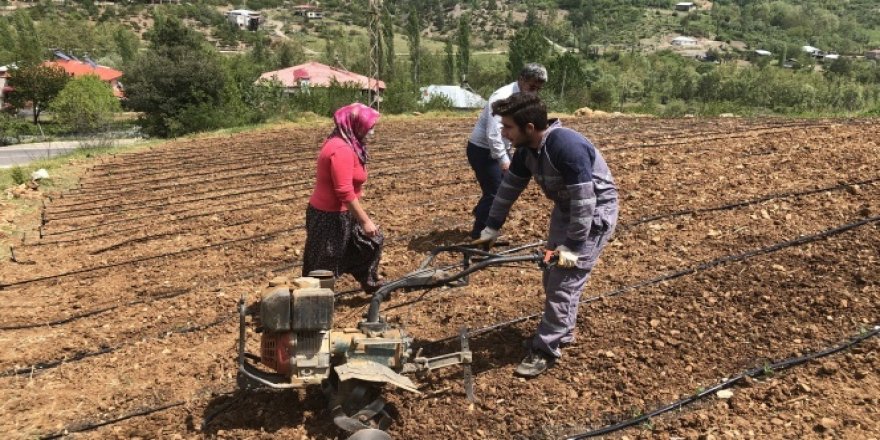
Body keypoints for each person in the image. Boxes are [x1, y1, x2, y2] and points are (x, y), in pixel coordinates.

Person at [473, 93, 619, 378]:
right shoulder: (526, 152)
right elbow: (507, 190)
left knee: (564, 280)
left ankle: (547, 348)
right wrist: (491, 227)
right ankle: (561, 330)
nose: (503, 133)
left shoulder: (567, 147)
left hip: (593, 214)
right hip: (566, 210)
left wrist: (573, 247)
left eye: (508, 127)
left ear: (529, 128)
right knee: (551, 273)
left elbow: (585, 204)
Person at [303, 103, 384, 294]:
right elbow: (344, 191)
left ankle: (369, 282)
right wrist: (365, 221)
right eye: (369, 127)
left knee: (368, 244)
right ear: (355, 124)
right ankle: (313, 303)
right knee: (324, 264)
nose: (371, 132)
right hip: (329, 216)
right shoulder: (341, 150)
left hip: (343, 213)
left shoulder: (345, 142)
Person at [466, 63, 547, 240]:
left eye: (538, 89)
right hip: (483, 150)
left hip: (502, 148)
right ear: (521, 79)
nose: (534, 92)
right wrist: (504, 160)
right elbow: (493, 133)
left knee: (501, 188)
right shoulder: (502, 96)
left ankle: (482, 213)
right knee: (496, 191)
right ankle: (478, 236)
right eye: (532, 87)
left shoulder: (523, 97)